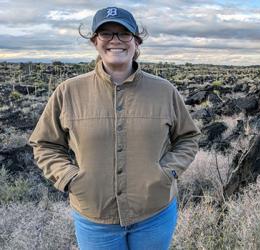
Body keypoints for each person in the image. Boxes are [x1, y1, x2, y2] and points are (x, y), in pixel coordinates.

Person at [29, 6, 200, 250]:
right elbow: (44, 143)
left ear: (136, 40)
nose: (115, 41)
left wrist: (167, 173)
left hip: (155, 213)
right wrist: (69, 178)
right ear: (95, 41)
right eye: (106, 34)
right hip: (94, 216)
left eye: (123, 33)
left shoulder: (164, 91)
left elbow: (188, 138)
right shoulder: (68, 91)